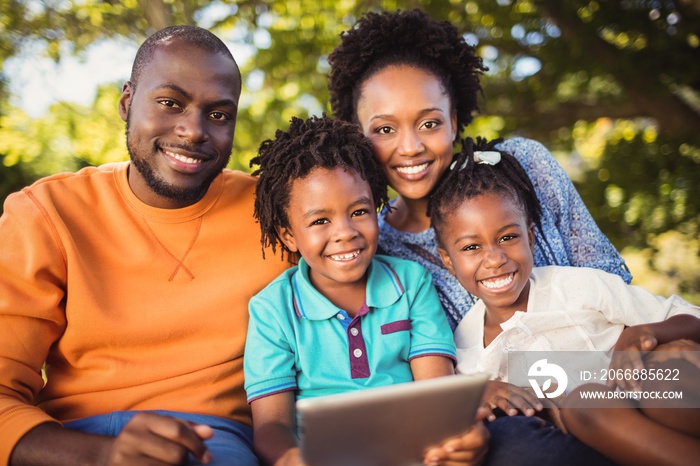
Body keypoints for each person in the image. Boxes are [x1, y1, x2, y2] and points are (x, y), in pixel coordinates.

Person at [0, 26, 289, 466]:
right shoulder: (47, 214)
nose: (193, 131)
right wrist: (104, 455)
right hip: (70, 444)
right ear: (126, 102)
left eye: (218, 114)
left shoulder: (274, 211)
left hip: (215, 444)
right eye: (170, 103)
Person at [327, 8, 632, 332]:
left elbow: (614, 284)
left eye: (429, 123)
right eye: (385, 130)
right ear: (358, 132)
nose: (411, 147)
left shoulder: (523, 167)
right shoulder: (375, 247)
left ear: (454, 121)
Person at [429, 137, 700, 466]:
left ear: (530, 236)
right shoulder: (468, 349)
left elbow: (690, 317)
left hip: (653, 398)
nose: (495, 258)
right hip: (592, 433)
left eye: (508, 237)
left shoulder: (578, 285)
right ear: (447, 260)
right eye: (472, 247)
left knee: (663, 369)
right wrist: (485, 392)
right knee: (585, 403)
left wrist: (646, 331)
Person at [244, 115, 488, 466]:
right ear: (287, 234)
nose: (345, 232)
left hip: (415, 452)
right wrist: (290, 459)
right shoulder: (272, 310)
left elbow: (436, 396)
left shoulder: (411, 283)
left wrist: (458, 438)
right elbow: (271, 425)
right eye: (320, 221)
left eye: (359, 211)